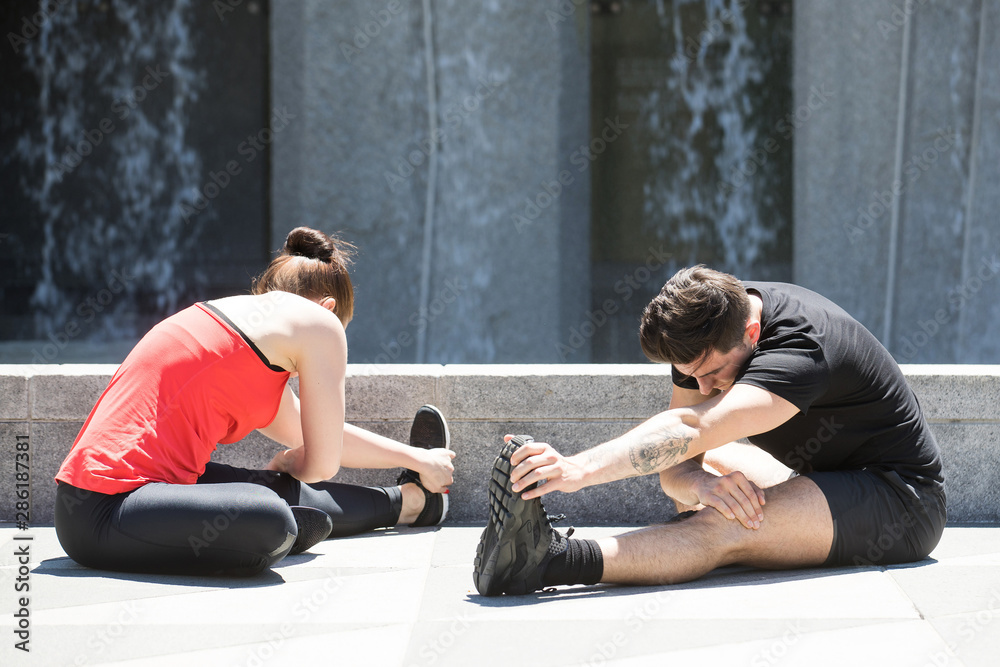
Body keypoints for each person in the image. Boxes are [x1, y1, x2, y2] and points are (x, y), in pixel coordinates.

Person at [473, 266, 946, 595]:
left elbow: (690, 428)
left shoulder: (803, 349)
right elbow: (678, 463)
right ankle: (695, 544)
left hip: (900, 499)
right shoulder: (711, 328)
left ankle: (548, 560)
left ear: (752, 335)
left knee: (725, 523)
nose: (700, 386)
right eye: (688, 374)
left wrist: (576, 469)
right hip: (824, 480)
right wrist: (699, 481)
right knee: (711, 477)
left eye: (711, 373)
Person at [55, 227, 456, 576]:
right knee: (269, 513)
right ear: (329, 309)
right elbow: (321, 463)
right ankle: (266, 536)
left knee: (283, 492)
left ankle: (414, 503)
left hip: (128, 500)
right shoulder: (319, 323)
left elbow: (326, 437)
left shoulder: (239, 337)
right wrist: (291, 462)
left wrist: (417, 459)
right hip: (109, 509)